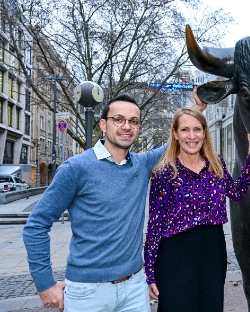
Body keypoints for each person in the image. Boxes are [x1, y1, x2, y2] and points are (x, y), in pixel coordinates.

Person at [22, 90, 206, 312]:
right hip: (87, 293)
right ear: (103, 124)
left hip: (135, 290)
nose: (126, 126)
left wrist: (197, 109)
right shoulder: (76, 168)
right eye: (118, 119)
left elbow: (175, 141)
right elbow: (36, 226)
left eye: (133, 121)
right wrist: (45, 284)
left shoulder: (141, 164)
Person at [143, 107, 250, 312]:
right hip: (175, 254)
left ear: (205, 132)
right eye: (185, 130)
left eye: (197, 129)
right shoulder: (164, 172)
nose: (192, 136)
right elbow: (155, 223)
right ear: (175, 134)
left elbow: (237, 193)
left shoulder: (216, 164)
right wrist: (149, 270)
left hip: (213, 251)